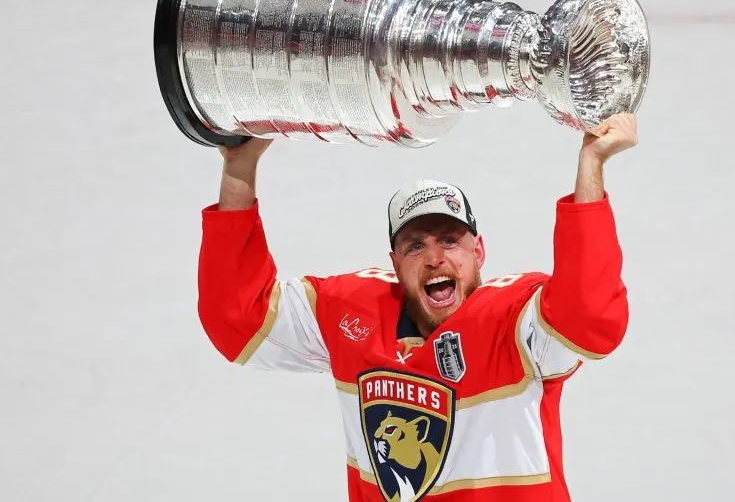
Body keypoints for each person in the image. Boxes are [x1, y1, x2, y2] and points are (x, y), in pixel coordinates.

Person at [196, 113, 638, 502]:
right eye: (415, 245)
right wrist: (240, 168)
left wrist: (591, 165)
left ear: (479, 251)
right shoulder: (353, 315)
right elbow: (237, 318)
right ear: (395, 263)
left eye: (450, 240)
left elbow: (590, 316)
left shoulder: (514, 323)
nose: (434, 258)